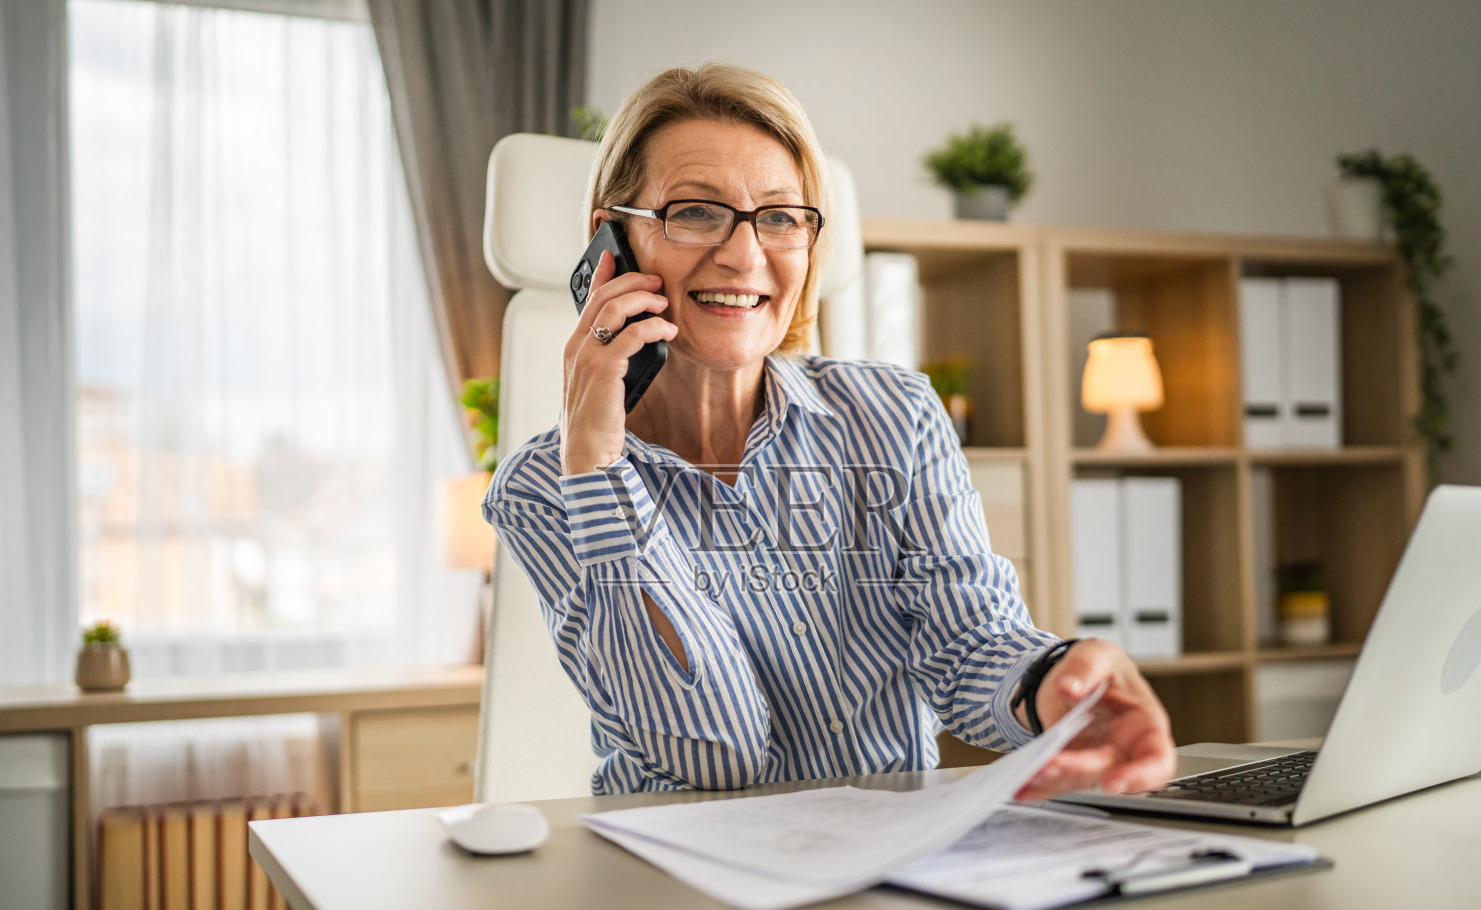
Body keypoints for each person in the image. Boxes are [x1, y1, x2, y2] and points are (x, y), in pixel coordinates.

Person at [485, 63, 1176, 798]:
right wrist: (598, 464)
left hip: (889, 870)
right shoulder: (546, 486)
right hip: (680, 883)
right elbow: (717, 754)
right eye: (694, 212)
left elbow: (971, 644)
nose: (744, 255)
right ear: (612, 243)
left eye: (780, 217)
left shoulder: (893, 416)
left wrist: (1051, 681)